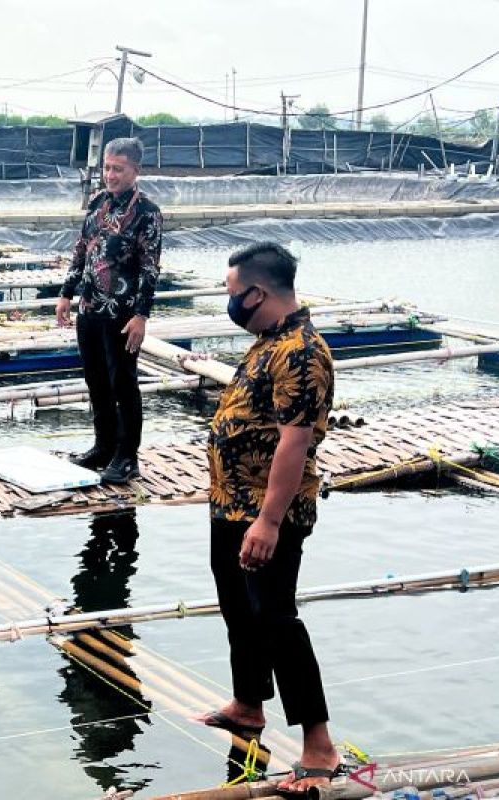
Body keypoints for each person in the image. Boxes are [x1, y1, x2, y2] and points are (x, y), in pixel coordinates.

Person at [198, 242, 342, 794]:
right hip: (231, 504)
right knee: (240, 610)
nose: (230, 302)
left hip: (266, 512)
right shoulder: (268, 342)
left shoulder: (302, 352)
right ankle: (248, 704)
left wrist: (268, 522)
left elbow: (295, 442)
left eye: (234, 293)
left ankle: (319, 744)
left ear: (258, 293)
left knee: (277, 620)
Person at [56, 137, 162, 485]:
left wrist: (141, 316)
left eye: (118, 169)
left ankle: (127, 456)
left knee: (123, 383)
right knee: (96, 380)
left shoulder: (147, 213)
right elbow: (82, 250)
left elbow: (150, 269)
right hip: (90, 309)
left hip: (122, 314)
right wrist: (66, 294)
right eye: (106, 168)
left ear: (135, 170)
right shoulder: (97, 203)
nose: (110, 175)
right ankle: (103, 446)